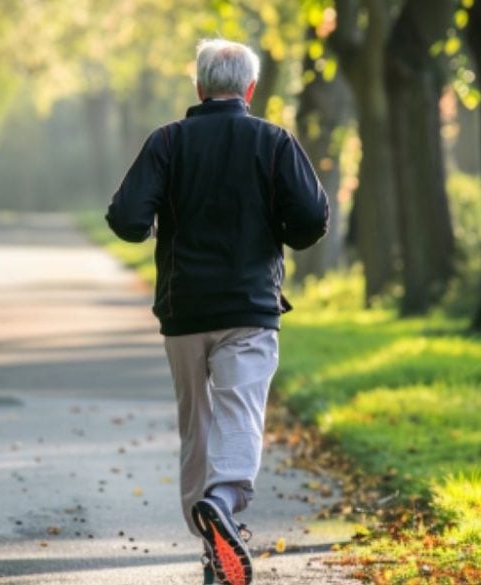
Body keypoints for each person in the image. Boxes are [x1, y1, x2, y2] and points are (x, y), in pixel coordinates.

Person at [105, 38, 329, 585]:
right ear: (249, 89)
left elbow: (126, 218)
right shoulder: (274, 141)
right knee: (239, 414)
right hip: (249, 309)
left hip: (184, 311)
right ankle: (224, 503)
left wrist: (158, 222)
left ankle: (211, 543)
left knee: (197, 427)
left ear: (199, 87)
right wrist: (277, 229)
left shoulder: (167, 142)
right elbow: (312, 220)